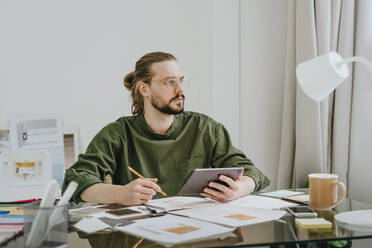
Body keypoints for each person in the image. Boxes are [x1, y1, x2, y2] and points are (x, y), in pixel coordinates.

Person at [62, 51, 270, 205]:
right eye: (170, 82)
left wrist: (240, 188)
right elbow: (75, 180)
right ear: (144, 88)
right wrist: (120, 194)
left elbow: (253, 172)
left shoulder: (205, 129)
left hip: (195, 236)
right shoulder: (116, 135)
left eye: (180, 81)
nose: (180, 90)